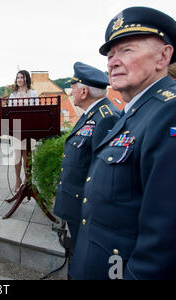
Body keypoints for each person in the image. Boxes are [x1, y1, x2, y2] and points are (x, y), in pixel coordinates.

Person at [69, 6, 176, 280]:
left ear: (164, 56)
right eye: (111, 55)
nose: (113, 61)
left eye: (127, 50)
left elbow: (168, 237)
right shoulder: (135, 110)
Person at [54, 62, 119, 253]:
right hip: (75, 204)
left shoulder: (106, 117)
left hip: (84, 208)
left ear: (83, 92)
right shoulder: (92, 114)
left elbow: (101, 174)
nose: (71, 92)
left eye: (73, 88)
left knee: (82, 253)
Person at [8, 70, 38, 192]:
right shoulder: (13, 95)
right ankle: (17, 179)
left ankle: (27, 179)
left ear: (27, 79)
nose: (19, 79)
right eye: (18, 77)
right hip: (16, 128)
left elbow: (37, 112)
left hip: (29, 128)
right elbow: (9, 113)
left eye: (22, 77)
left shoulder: (34, 93)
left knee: (27, 156)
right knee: (17, 157)